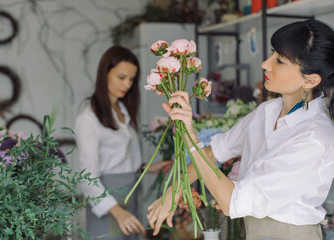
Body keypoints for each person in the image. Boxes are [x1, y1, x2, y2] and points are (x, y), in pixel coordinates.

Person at [147, 19, 334, 240]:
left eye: (280, 61)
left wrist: (188, 134)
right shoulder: (266, 112)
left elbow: (230, 202)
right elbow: (211, 153)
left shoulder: (315, 138)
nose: (265, 63)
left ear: (310, 80)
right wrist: (172, 192)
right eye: (272, 53)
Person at [75, 45, 172, 240]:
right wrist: (117, 211)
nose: (127, 84)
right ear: (105, 74)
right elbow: (87, 177)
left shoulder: (122, 110)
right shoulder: (88, 118)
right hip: (108, 202)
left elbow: (119, 159)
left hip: (130, 193)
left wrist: (147, 168)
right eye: (121, 77)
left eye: (131, 79)